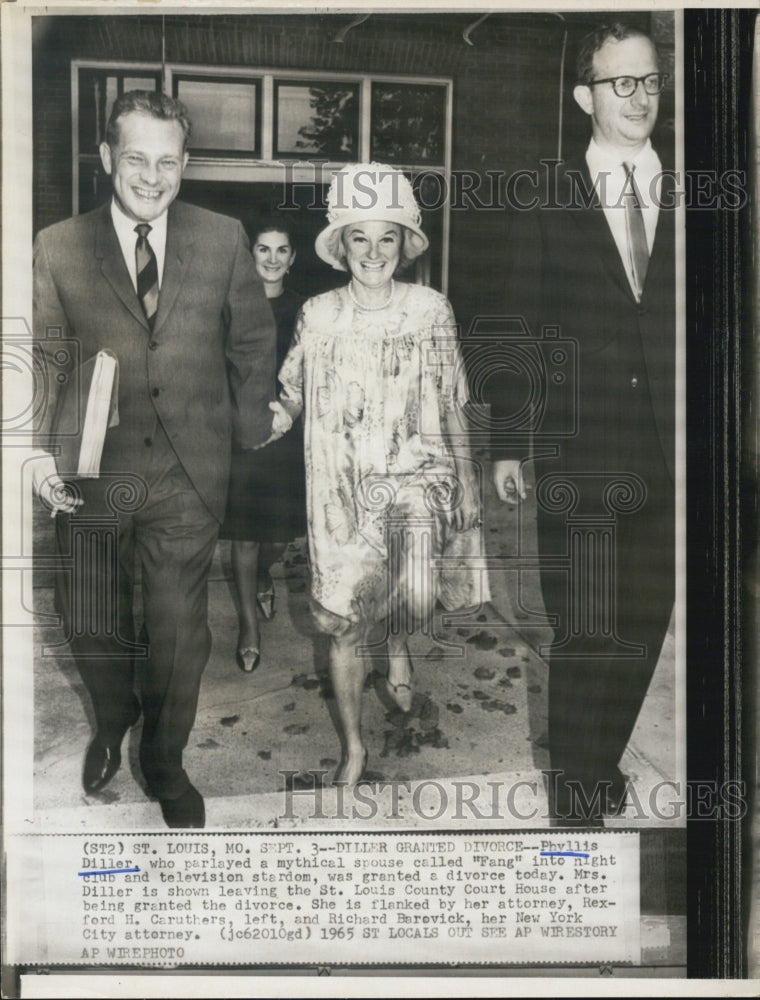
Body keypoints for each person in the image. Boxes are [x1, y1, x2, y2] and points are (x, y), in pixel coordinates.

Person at [31, 91, 276, 828]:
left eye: (167, 160)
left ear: (185, 164)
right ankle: (113, 718)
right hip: (92, 474)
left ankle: (165, 763)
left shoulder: (224, 237)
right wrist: (36, 457)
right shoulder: (59, 246)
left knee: (177, 633)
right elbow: (41, 360)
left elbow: (253, 343)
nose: (151, 175)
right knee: (89, 623)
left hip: (186, 476)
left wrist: (248, 426)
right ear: (107, 158)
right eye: (136, 157)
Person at [490, 22, 675, 824]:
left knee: (647, 615)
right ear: (583, 96)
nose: (639, 97)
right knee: (587, 621)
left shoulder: (695, 187)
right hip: (580, 446)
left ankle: (598, 764)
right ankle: (575, 794)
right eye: (620, 82)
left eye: (649, 81)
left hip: (673, 448)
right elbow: (516, 323)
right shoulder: (546, 192)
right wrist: (507, 440)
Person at [273, 163, 488, 787]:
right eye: (358, 238)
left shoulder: (430, 311)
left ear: (404, 244)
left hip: (413, 481)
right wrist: (272, 416)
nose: (372, 252)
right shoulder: (316, 315)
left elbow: (452, 402)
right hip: (337, 493)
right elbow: (291, 391)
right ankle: (355, 748)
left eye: (386, 237)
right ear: (340, 247)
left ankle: (395, 644)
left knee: (407, 593)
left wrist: (469, 482)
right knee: (340, 622)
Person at [220, 214, 306, 672]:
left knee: (279, 534)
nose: (271, 258)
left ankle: (262, 576)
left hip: (289, 434)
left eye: (281, 250)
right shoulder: (230, 304)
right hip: (242, 435)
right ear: (250, 255)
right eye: (263, 249)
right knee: (244, 533)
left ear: (292, 258)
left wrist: (289, 415)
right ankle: (249, 627)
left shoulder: (306, 309)